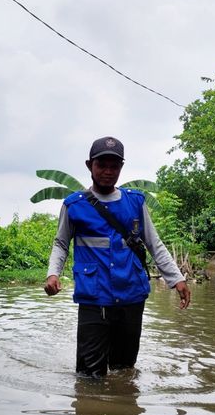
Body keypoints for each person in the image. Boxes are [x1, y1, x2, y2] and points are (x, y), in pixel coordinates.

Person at [44, 136, 191, 377]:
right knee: (89, 376)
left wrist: (177, 279)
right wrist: (53, 274)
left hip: (131, 296)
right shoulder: (74, 205)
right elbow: (61, 243)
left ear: (121, 167)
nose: (108, 172)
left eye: (115, 166)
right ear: (89, 165)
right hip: (93, 299)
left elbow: (154, 243)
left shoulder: (135, 202)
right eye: (102, 165)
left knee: (124, 372)